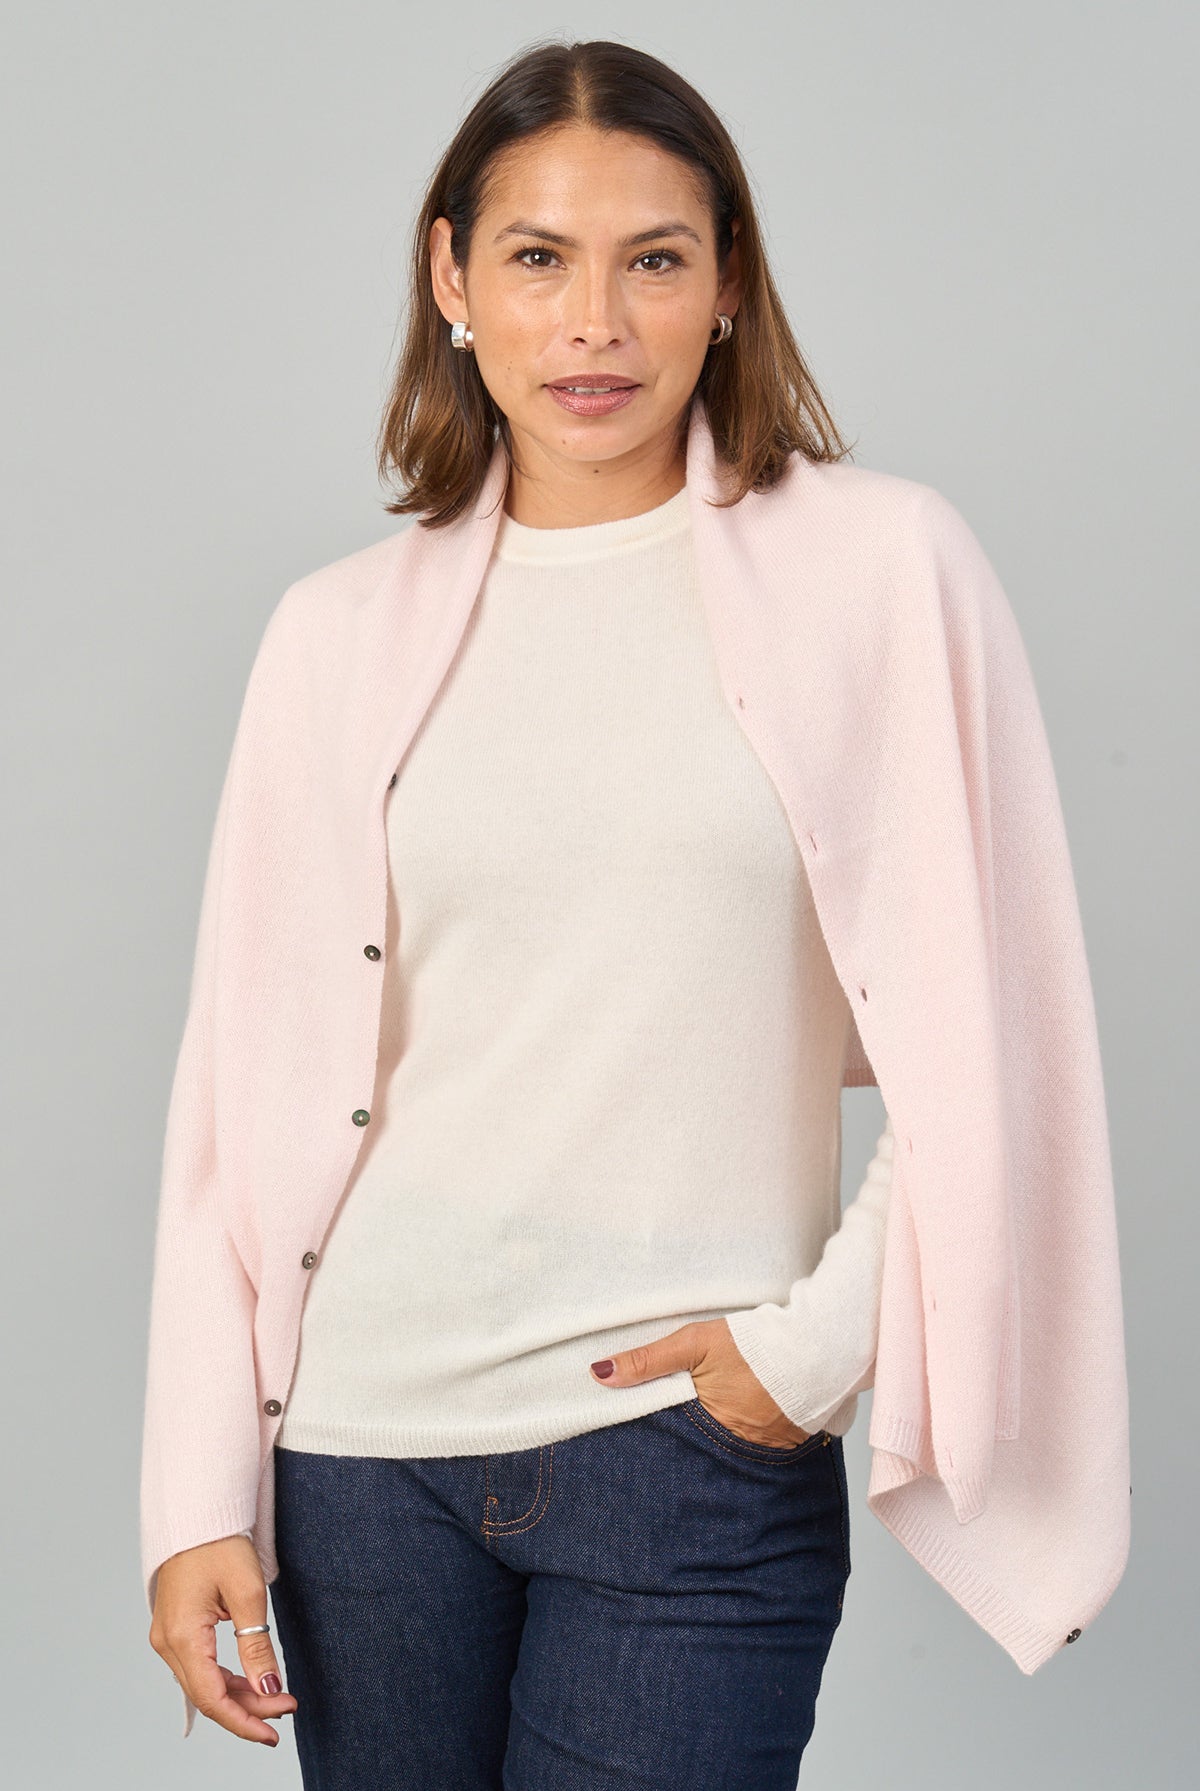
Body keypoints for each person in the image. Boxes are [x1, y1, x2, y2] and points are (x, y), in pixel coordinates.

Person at [142, 36, 1129, 1789]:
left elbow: (992, 1024)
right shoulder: (331, 637)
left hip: (688, 1450)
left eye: (654, 259)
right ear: (453, 278)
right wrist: (193, 1493)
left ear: (729, 281)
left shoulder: (882, 570)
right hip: (363, 1455)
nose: (593, 322)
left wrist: (811, 1351)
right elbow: (239, 1090)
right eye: (538, 257)